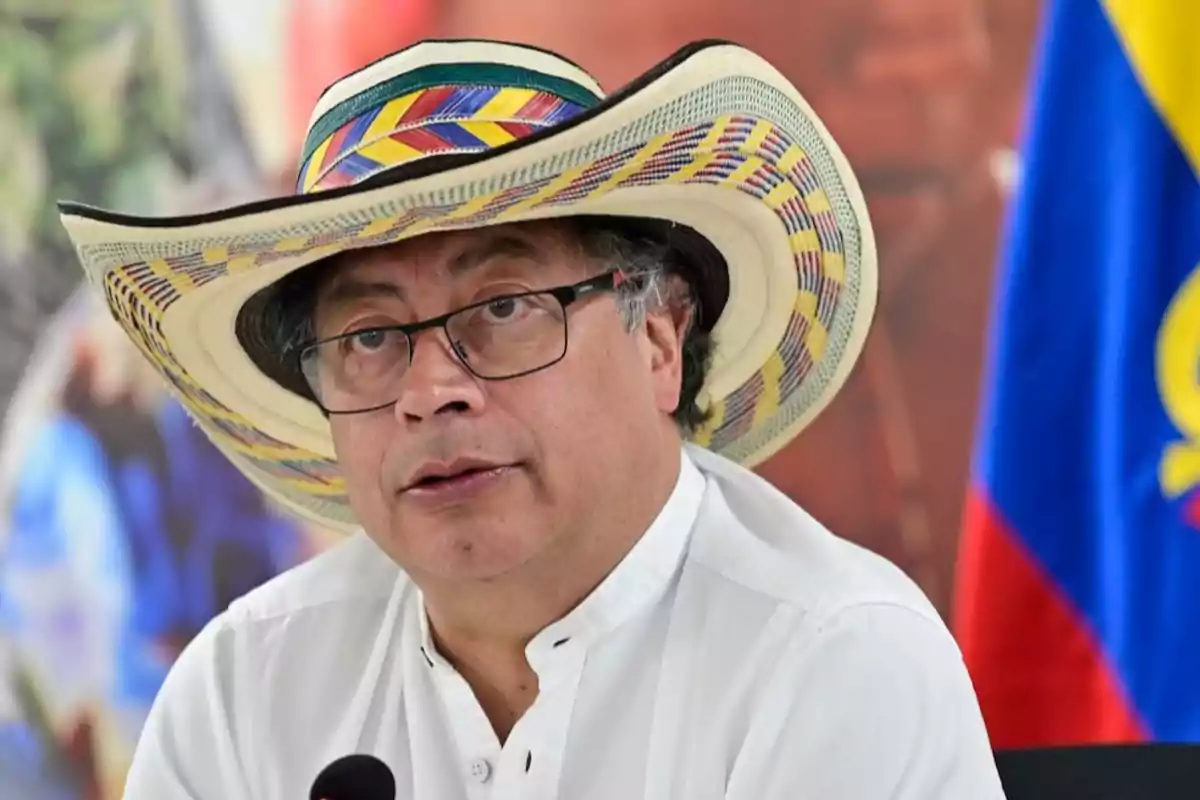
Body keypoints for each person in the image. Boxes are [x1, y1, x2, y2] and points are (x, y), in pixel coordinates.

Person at [59, 39, 1005, 798]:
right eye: (371, 336)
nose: (430, 390)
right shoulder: (246, 689)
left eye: (503, 308)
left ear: (660, 343)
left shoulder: (829, 662)